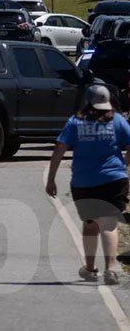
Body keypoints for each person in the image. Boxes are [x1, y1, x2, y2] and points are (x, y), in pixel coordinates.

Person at [46, 85, 130, 286]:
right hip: (113, 180)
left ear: (87, 101)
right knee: (109, 225)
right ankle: (110, 269)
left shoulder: (76, 122)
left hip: (84, 182)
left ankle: (91, 268)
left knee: (90, 224)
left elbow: (60, 147)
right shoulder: (117, 121)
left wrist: (51, 178)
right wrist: (124, 165)